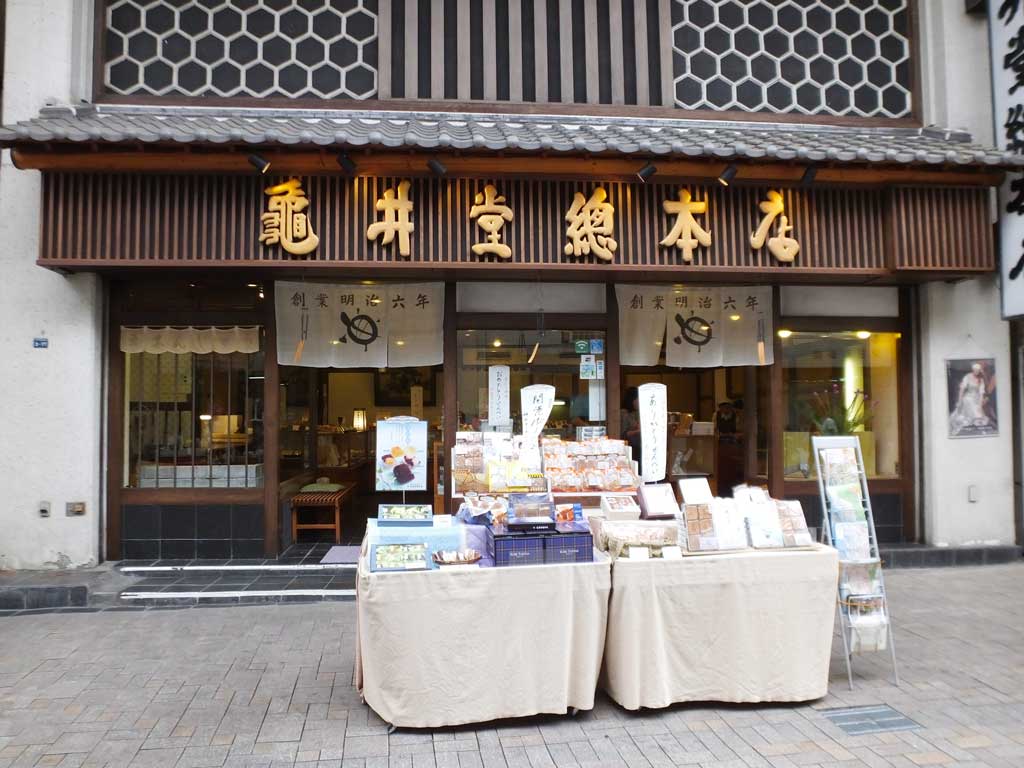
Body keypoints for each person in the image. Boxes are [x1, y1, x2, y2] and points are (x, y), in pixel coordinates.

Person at [950, 362, 994, 435]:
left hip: (977, 398)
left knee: (978, 409)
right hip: (968, 397)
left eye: (978, 370)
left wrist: (980, 405)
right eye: (975, 370)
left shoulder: (981, 380)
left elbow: (981, 393)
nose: (976, 372)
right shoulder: (967, 377)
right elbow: (962, 389)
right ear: (973, 370)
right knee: (969, 401)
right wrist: (959, 400)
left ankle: (980, 428)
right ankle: (974, 424)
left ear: (979, 371)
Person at [621, 386, 642, 475]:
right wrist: (639, 431)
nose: (639, 402)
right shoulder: (623, 413)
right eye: (638, 399)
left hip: (636, 448)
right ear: (632, 400)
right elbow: (623, 434)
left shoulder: (633, 413)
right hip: (629, 449)